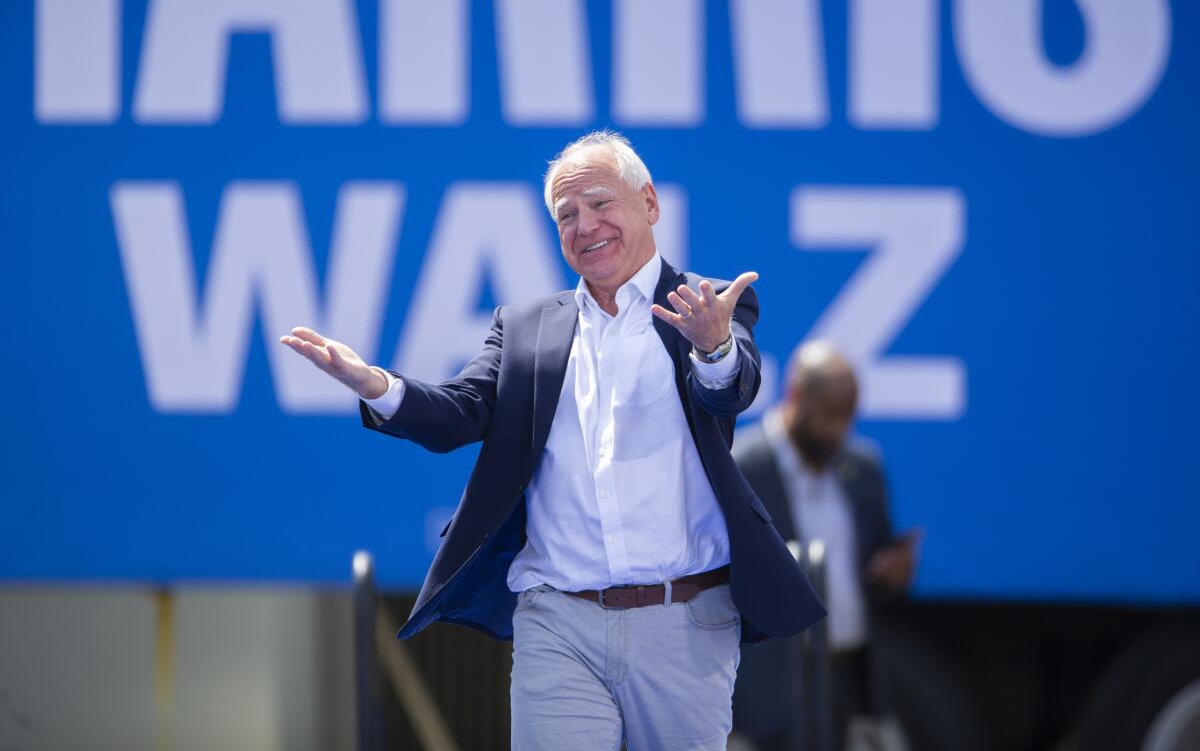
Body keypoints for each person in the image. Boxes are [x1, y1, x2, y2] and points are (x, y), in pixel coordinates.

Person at [281, 131, 825, 750]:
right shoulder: (526, 328)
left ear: (649, 203)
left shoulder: (705, 305)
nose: (583, 225)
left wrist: (714, 345)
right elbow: (458, 413)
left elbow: (730, 390)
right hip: (557, 619)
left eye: (599, 204)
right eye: (566, 215)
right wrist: (374, 383)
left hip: (685, 619)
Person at [730, 341, 920, 751]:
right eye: (830, 415)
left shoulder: (862, 467)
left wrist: (894, 573)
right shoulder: (741, 467)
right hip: (770, 694)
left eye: (848, 416)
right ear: (795, 397)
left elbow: (876, 567)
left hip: (850, 682)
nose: (839, 430)